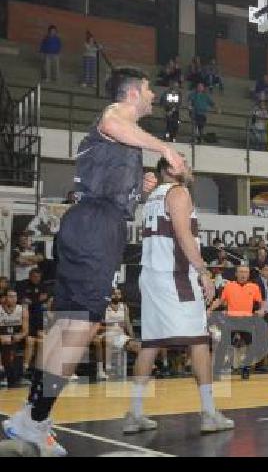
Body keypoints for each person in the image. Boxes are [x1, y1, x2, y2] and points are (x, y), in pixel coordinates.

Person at [2, 67, 184, 457]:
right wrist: (164, 149)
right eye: (149, 89)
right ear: (133, 93)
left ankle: (31, 416)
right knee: (81, 327)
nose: (153, 95)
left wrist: (139, 186)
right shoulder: (116, 115)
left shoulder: (122, 140)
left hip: (86, 223)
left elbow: (112, 173)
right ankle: (34, 420)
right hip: (96, 227)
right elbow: (112, 122)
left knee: (66, 324)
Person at [124, 155, 233, 435]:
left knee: (150, 343)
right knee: (199, 341)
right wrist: (203, 272)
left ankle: (134, 413)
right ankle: (209, 412)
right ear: (171, 169)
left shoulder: (153, 197)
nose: (189, 167)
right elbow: (183, 236)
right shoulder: (178, 192)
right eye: (184, 163)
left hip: (151, 276)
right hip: (175, 277)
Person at [0, 290, 29, 388]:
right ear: (5, 298)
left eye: (15, 296)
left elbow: (25, 331)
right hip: (2, 336)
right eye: (11, 296)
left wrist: (18, 336)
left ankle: (21, 373)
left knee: (27, 341)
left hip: (16, 337)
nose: (13, 299)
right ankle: (4, 373)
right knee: (6, 346)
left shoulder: (22, 310)